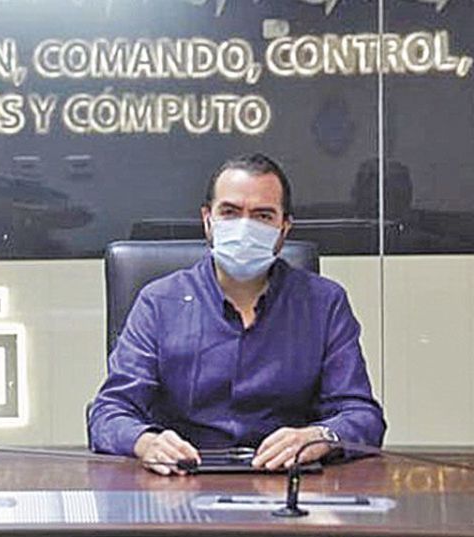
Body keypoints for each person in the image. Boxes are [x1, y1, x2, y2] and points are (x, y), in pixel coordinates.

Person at [89, 153, 385, 475]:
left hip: (288, 482)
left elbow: (363, 416)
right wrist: (146, 443)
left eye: (263, 216)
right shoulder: (159, 302)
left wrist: (321, 437)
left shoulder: (324, 303)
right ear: (208, 220)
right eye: (230, 213)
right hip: (179, 481)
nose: (245, 227)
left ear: (284, 227)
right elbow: (109, 412)